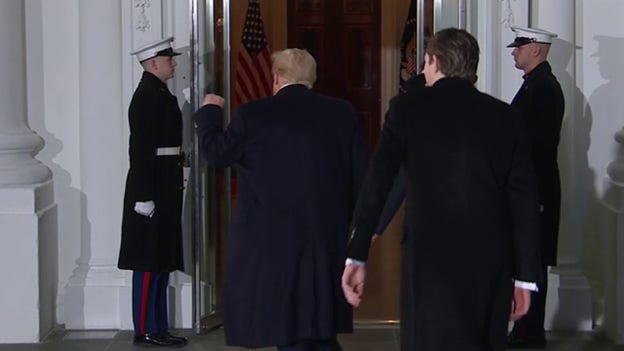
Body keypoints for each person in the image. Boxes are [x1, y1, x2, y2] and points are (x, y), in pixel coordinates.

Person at [341, 28, 541, 351]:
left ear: (435, 61)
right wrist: (525, 278)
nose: (421, 70)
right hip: (490, 264)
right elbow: (524, 204)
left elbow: (378, 183)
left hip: (428, 264)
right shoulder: (506, 118)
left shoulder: (407, 110)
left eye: (424, 62)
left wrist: (357, 253)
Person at [193, 48, 369, 351]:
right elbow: (361, 175)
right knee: (317, 318)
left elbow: (217, 153)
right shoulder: (342, 112)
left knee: (286, 320)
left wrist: (210, 112)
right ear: (311, 79)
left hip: (271, 240)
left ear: (275, 78)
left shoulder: (254, 114)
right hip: (325, 234)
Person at [118, 36, 187, 348]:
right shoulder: (148, 95)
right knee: (148, 261)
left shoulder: (158, 92)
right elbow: (141, 149)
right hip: (152, 186)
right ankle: (145, 328)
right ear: (154, 63)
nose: (173, 63)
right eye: (169, 59)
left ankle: (157, 327)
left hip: (164, 182)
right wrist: (144, 195)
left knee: (159, 259)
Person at [506, 26, 565, 349]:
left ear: (537, 50)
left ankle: (530, 333)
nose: (514, 52)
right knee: (526, 258)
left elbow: (538, 145)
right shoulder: (535, 85)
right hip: (531, 189)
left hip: (536, 190)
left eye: (520, 47)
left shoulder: (543, 88)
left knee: (533, 260)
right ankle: (525, 330)